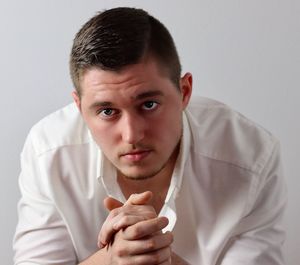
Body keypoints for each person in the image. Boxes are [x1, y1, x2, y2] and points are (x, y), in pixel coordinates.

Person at [13, 7, 287, 265]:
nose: (132, 134)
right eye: (107, 111)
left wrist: (159, 256)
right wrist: (110, 259)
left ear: (184, 92)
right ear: (80, 109)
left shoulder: (251, 157)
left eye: (149, 105)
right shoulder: (47, 152)